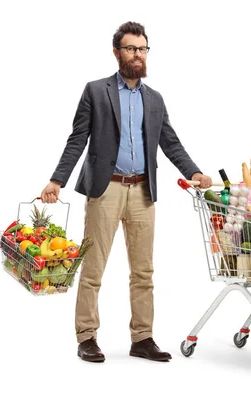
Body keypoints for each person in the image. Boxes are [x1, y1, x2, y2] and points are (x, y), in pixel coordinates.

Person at [40, 21, 212, 363]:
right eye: (131, 48)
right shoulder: (96, 91)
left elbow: (169, 141)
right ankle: (87, 337)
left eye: (143, 48)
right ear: (117, 52)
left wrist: (194, 171)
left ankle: (142, 338)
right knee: (93, 268)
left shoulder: (155, 99)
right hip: (106, 190)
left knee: (143, 271)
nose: (137, 54)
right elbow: (78, 139)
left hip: (143, 193)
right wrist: (57, 180)